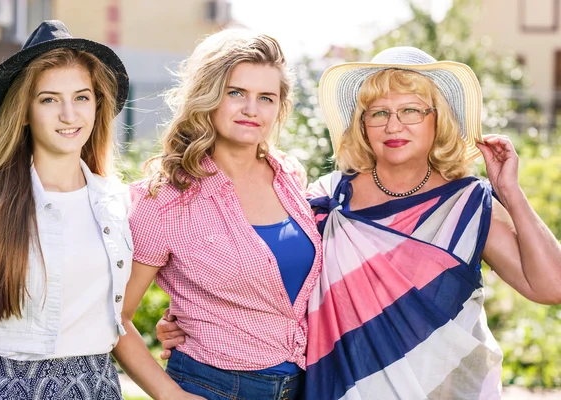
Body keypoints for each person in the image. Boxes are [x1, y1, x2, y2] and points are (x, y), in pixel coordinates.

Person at [303, 46, 561, 399]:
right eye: (378, 112)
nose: (393, 125)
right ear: (362, 124)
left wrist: (510, 193)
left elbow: (551, 286)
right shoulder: (329, 201)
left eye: (410, 110)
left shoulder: (468, 203)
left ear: (438, 118)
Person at [112, 28, 322, 399]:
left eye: (266, 98)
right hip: (213, 386)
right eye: (236, 93)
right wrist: (170, 395)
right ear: (208, 96)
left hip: (303, 383)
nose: (252, 109)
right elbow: (116, 319)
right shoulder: (163, 199)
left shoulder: (289, 175)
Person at [0, 20, 132, 399]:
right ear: (24, 111)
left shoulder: (116, 202)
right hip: (9, 388)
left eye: (82, 97)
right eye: (49, 99)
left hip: (99, 387)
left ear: (97, 104)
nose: (69, 115)